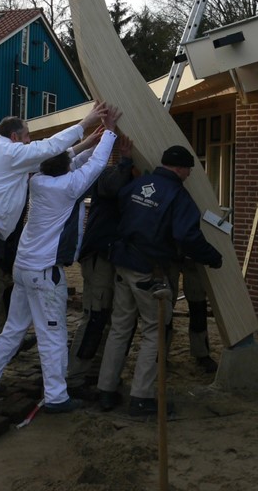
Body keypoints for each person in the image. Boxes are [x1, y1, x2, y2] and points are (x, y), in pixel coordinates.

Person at [0, 101, 112, 408]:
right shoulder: (11, 156)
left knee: (3, 324)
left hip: (2, 255)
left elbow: (55, 158)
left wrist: (88, 141)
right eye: (27, 137)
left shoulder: (31, 175)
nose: (30, 142)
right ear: (15, 137)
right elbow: (74, 162)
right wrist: (101, 131)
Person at [0, 114, 122, 413]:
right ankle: (56, 397)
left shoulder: (39, 180)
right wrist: (110, 135)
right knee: (52, 334)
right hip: (44, 274)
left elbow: (68, 161)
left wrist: (91, 140)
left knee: (13, 328)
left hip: (24, 269)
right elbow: (92, 168)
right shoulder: (66, 188)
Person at [96, 145, 223, 417]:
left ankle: (106, 390)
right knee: (155, 330)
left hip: (123, 264)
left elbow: (123, 207)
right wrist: (213, 257)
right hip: (147, 270)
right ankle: (142, 397)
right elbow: (188, 237)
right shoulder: (178, 196)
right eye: (189, 168)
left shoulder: (138, 184)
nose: (189, 174)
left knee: (120, 327)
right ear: (178, 168)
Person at [65, 135, 137, 393]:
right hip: (99, 256)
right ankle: (75, 378)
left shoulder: (134, 178)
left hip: (115, 255)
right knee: (95, 315)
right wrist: (126, 161)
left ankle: (98, 374)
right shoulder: (108, 176)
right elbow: (115, 188)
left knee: (111, 319)